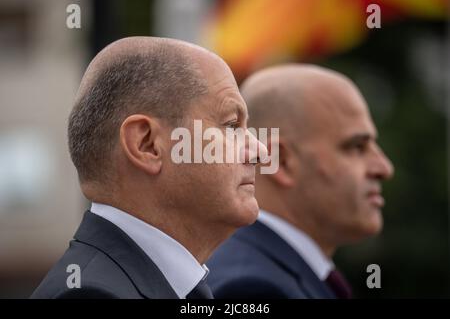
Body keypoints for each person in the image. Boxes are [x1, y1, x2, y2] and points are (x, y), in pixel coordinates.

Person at [31, 36, 266, 299]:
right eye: (231, 125)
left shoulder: (144, 283)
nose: (260, 152)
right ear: (147, 144)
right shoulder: (92, 295)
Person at [207, 64, 394, 298]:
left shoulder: (274, 270)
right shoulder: (252, 288)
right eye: (356, 147)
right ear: (280, 161)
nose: (384, 168)